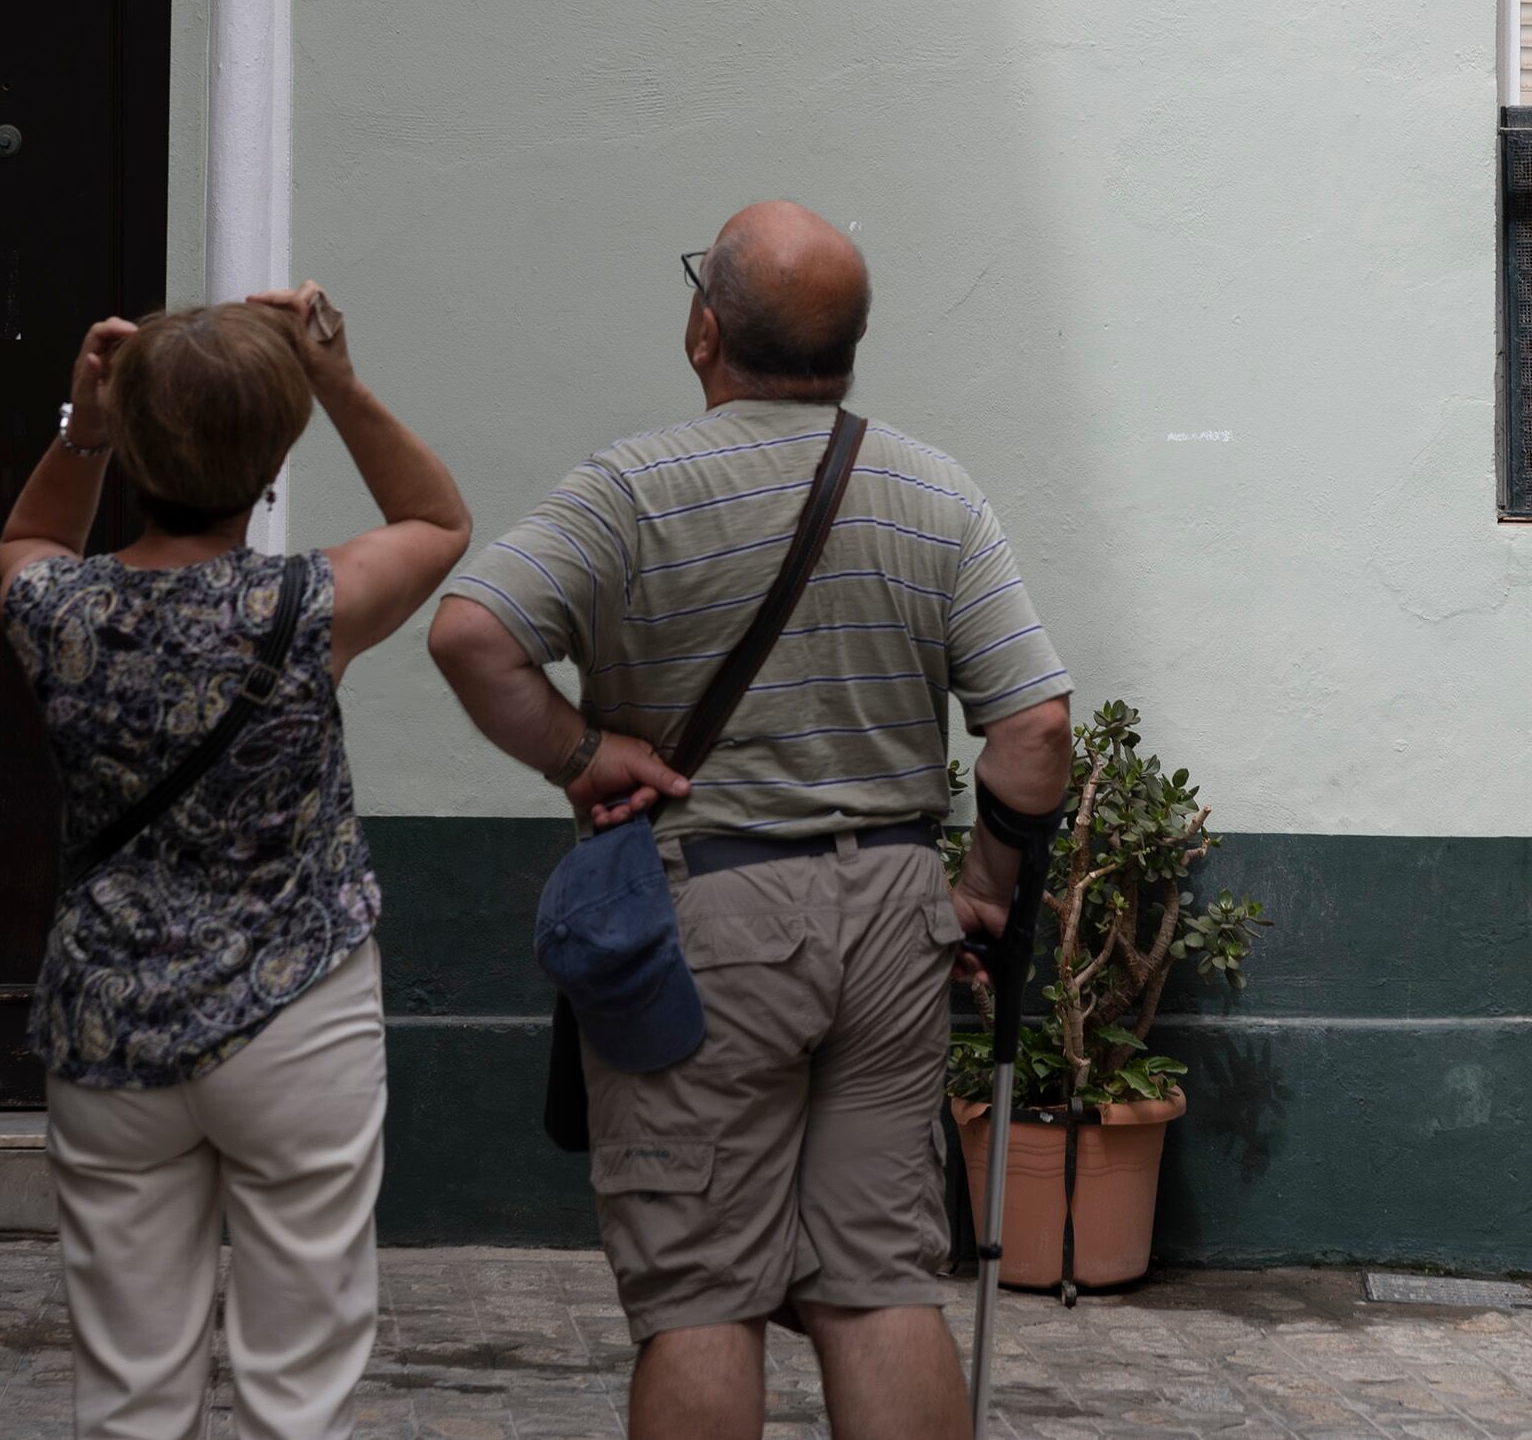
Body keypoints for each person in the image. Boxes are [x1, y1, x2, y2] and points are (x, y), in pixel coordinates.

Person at [428, 200, 1075, 1440]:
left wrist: (580, 753)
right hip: (894, 917)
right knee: (880, 1282)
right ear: (850, 348)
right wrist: (986, 883)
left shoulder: (631, 489)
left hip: (703, 921)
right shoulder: (935, 493)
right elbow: (1034, 727)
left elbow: (472, 631)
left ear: (703, 329)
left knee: (699, 1298)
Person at [0, 286, 469, 1440]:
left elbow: (29, 538)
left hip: (110, 1022)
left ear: (137, 446)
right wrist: (337, 382)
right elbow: (437, 518)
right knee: (299, 1388)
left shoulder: (61, 607)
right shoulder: (310, 605)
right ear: (271, 460)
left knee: (128, 1393)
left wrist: (83, 427)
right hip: (296, 1008)